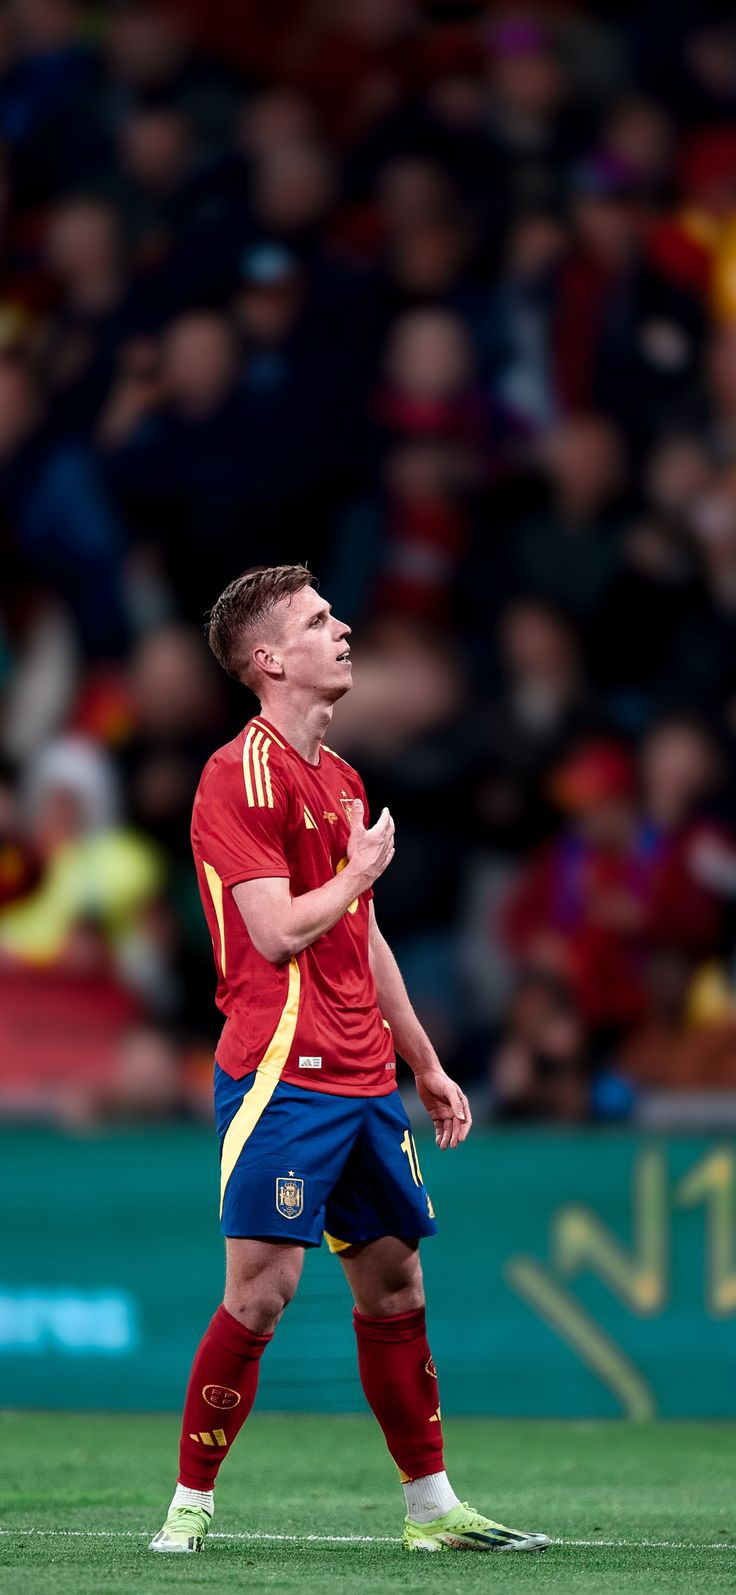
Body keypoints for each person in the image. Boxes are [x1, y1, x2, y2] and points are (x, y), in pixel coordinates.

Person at [149, 563, 549, 1556]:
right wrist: (361, 872)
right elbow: (278, 931)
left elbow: (361, 938)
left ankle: (432, 1509)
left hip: (366, 1075)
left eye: (335, 614)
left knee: (395, 1284)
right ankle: (189, 1505)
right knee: (262, 1290)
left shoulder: (342, 777)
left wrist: (422, 1056)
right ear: (268, 659)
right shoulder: (234, 774)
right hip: (281, 1072)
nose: (344, 629)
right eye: (318, 620)